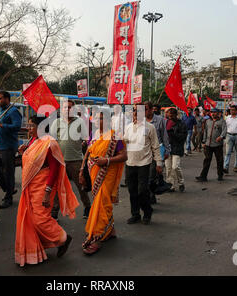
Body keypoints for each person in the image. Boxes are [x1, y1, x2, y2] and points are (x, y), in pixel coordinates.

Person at [15, 116, 79, 267]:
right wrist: (24, 151)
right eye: (28, 125)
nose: (29, 129)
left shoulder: (49, 143)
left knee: (40, 219)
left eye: (32, 126)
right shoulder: (33, 141)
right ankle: (35, 249)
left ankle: (63, 238)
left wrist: (47, 192)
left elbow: (55, 169)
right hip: (30, 186)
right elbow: (31, 162)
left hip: (43, 186)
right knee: (30, 218)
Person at [80, 113, 127, 255]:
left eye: (101, 118)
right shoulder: (93, 134)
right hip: (94, 173)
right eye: (95, 118)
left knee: (101, 203)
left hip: (107, 173)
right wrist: (82, 170)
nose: (97, 120)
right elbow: (88, 153)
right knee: (102, 202)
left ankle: (97, 237)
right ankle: (110, 229)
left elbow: (124, 155)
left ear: (107, 120)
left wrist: (106, 161)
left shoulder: (114, 136)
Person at [50, 99, 91, 219]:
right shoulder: (56, 122)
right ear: (61, 110)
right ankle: (54, 211)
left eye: (69, 107)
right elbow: (51, 140)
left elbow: (85, 139)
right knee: (58, 187)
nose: (67, 109)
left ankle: (87, 207)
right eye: (65, 107)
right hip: (60, 161)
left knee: (81, 186)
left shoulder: (80, 122)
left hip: (76, 160)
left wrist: (84, 143)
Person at [124, 105, 163, 225]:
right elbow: (124, 143)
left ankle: (147, 212)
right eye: (134, 110)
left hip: (144, 163)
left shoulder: (150, 127)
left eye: (138, 110)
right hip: (130, 163)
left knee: (142, 191)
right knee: (132, 190)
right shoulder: (128, 127)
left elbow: (155, 146)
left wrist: (159, 163)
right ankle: (135, 214)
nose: (135, 113)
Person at [0, 91, 22, 209]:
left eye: (0, 98)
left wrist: (2, 125)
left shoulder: (13, 111)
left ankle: (8, 198)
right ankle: (9, 189)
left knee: (8, 173)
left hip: (8, 147)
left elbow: (17, 126)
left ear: (7, 99)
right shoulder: (1, 111)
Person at [144, 101, 170, 204]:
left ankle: (150, 196)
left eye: (146, 109)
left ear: (151, 110)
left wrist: (167, 150)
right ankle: (149, 195)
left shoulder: (160, 120)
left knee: (151, 177)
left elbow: (165, 136)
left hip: (156, 152)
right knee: (144, 178)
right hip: (143, 153)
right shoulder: (140, 121)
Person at [196, 108, 227, 182]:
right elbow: (205, 132)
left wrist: (221, 137)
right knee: (207, 160)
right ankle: (203, 176)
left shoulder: (222, 121)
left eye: (215, 112)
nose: (213, 114)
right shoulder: (207, 121)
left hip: (217, 145)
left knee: (219, 160)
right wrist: (203, 142)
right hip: (208, 144)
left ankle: (220, 175)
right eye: (212, 112)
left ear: (218, 113)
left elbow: (224, 130)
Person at [164, 108, 188, 192]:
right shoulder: (166, 123)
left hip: (177, 148)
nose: (170, 117)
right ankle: (170, 185)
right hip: (167, 148)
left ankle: (181, 182)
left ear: (176, 115)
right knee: (168, 168)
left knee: (175, 166)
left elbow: (182, 137)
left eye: (172, 116)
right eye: (169, 116)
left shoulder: (181, 124)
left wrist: (172, 134)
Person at [223, 105, 237, 173]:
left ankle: (236, 166)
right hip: (229, 136)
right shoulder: (227, 118)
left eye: (233, 110)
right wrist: (224, 137)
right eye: (231, 110)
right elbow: (225, 128)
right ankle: (225, 167)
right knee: (227, 153)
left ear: (236, 110)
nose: (232, 111)